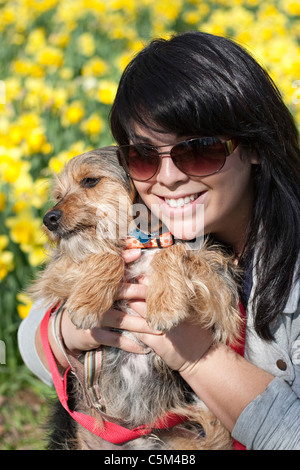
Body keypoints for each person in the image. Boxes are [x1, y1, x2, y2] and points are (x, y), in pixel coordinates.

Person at [18, 31, 300, 449]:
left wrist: (195, 355)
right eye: (144, 156)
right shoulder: (147, 229)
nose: (168, 177)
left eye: (200, 149)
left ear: (255, 147)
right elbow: (30, 338)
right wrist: (69, 332)